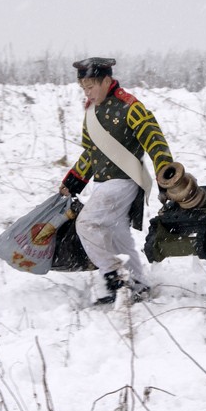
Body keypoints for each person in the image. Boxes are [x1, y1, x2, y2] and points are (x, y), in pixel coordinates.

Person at [60, 57, 174, 305]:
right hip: (103, 182)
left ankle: (114, 277)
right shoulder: (91, 111)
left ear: (107, 81)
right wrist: (74, 181)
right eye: (84, 88)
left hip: (124, 180)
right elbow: (92, 152)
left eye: (91, 86)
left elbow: (155, 140)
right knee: (117, 234)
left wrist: (165, 171)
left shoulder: (130, 107)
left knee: (86, 224)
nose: (87, 92)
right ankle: (138, 284)